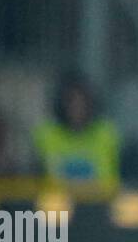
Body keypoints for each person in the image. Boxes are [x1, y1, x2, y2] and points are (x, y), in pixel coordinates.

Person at [32, 69, 122, 200]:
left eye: (82, 101)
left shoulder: (107, 134)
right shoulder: (45, 135)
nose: (77, 107)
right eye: (71, 101)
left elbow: (116, 181)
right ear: (61, 104)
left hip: (99, 206)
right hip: (56, 208)